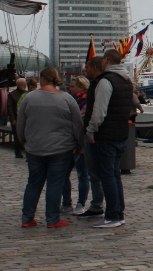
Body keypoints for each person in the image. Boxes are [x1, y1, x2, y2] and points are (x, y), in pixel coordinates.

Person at [17, 67, 83, 229]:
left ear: (42, 79)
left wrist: (23, 142)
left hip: (34, 146)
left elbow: (20, 124)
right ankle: (52, 218)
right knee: (55, 183)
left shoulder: (29, 98)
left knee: (33, 182)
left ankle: (27, 217)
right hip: (61, 147)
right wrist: (79, 145)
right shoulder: (67, 99)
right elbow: (77, 126)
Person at [85, 49, 134, 228]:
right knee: (115, 176)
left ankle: (113, 215)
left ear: (106, 60)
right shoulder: (126, 81)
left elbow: (99, 111)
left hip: (105, 135)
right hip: (121, 133)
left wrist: (91, 130)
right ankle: (118, 212)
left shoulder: (106, 81)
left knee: (107, 176)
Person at [76, 57, 106, 219]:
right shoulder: (97, 84)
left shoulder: (101, 84)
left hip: (97, 135)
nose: (85, 70)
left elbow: (98, 112)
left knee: (100, 173)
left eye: (87, 68)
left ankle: (102, 206)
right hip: (99, 134)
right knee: (97, 174)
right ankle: (97, 204)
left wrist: (90, 131)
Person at [62, 76, 93, 215]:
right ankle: (66, 203)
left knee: (83, 174)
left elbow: (81, 122)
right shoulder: (68, 100)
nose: (70, 88)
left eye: (73, 86)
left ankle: (80, 203)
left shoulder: (85, 102)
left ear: (81, 87)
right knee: (64, 174)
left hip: (81, 142)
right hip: (68, 141)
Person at [8, 78, 29, 158]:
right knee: (16, 136)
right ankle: (18, 152)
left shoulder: (27, 94)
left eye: (25, 84)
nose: (24, 86)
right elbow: (9, 108)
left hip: (25, 119)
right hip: (16, 119)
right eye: (23, 84)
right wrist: (12, 119)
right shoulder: (12, 95)